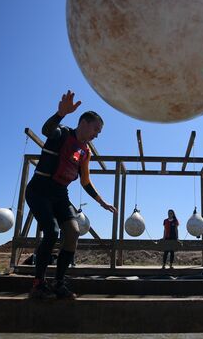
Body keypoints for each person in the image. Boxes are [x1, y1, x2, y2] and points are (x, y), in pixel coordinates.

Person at [25, 90, 117, 299]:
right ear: (84, 122)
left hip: (60, 194)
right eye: (96, 129)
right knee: (51, 232)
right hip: (39, 190)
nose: (97, 134)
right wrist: (60, 114)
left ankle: (58, 283)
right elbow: (46, 129)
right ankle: (38, 285)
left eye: (99, 131)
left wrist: (102, 202)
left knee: (73, 232)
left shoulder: (86, 152)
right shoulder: (62, 133)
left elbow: (85, 181)